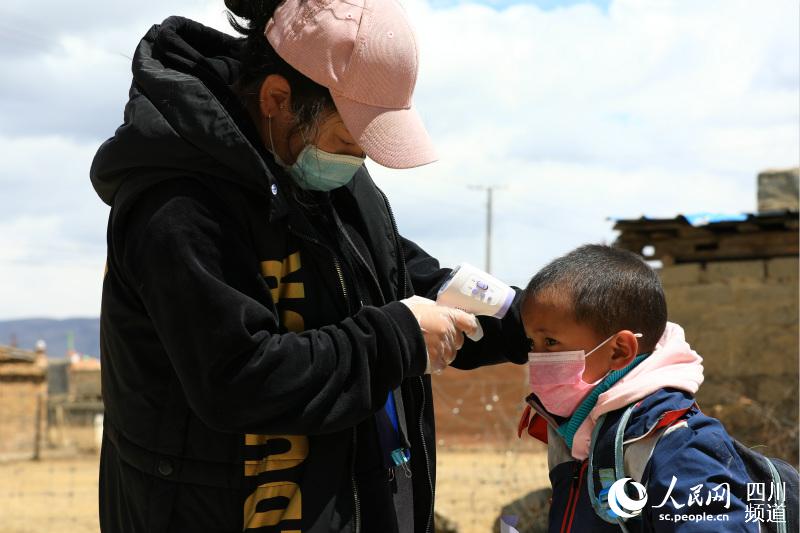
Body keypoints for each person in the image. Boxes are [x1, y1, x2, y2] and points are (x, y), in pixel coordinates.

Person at [89, 0, 530, 531]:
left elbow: (405, 280)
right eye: (349, 140)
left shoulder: (319, 175)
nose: (359, 160)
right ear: (278, 98)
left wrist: (530, 318)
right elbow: (238, 378)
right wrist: (397, 339)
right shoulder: (179, 207)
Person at [516, 244, 757, 531]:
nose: (536, 358)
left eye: (551, 342)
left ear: (619, 351)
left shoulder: (674, 443)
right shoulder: (575, 432)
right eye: (531, 343)